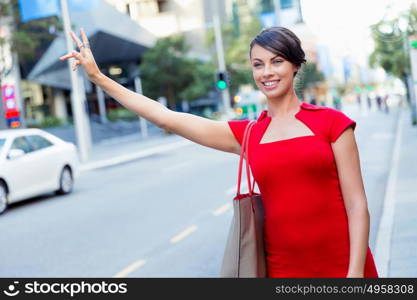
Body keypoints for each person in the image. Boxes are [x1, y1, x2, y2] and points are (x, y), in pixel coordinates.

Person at [60, 26, 379, 278]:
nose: (267, 72)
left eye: (277, 61)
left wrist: (353, 274)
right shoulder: (249, 134)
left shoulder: (332, 124)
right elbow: (166, 116)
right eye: (258, 64)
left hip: (344, 264)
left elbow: (356, 205)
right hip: (282, 269)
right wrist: (98, 77)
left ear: (296, 65)